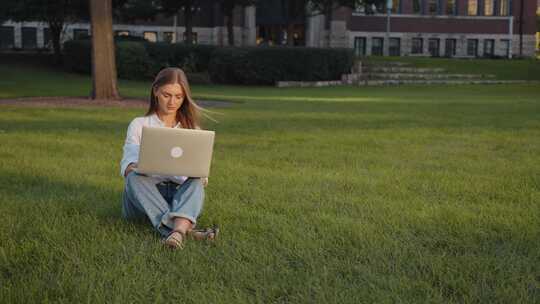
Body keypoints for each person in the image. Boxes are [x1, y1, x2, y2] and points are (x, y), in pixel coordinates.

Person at [120, 67, 217, 249]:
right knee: (134, 178)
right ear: (155, 91)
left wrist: (199, 175)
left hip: (177, 197)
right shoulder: (139, 124)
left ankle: (175, 234)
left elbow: (202, 178)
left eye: (178, 97)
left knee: (196, 181)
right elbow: (127, 168)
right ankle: (183, 229)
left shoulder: (193, 130)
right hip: (145, 197)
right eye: (167, 95)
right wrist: (146, 164)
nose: (172, 102)